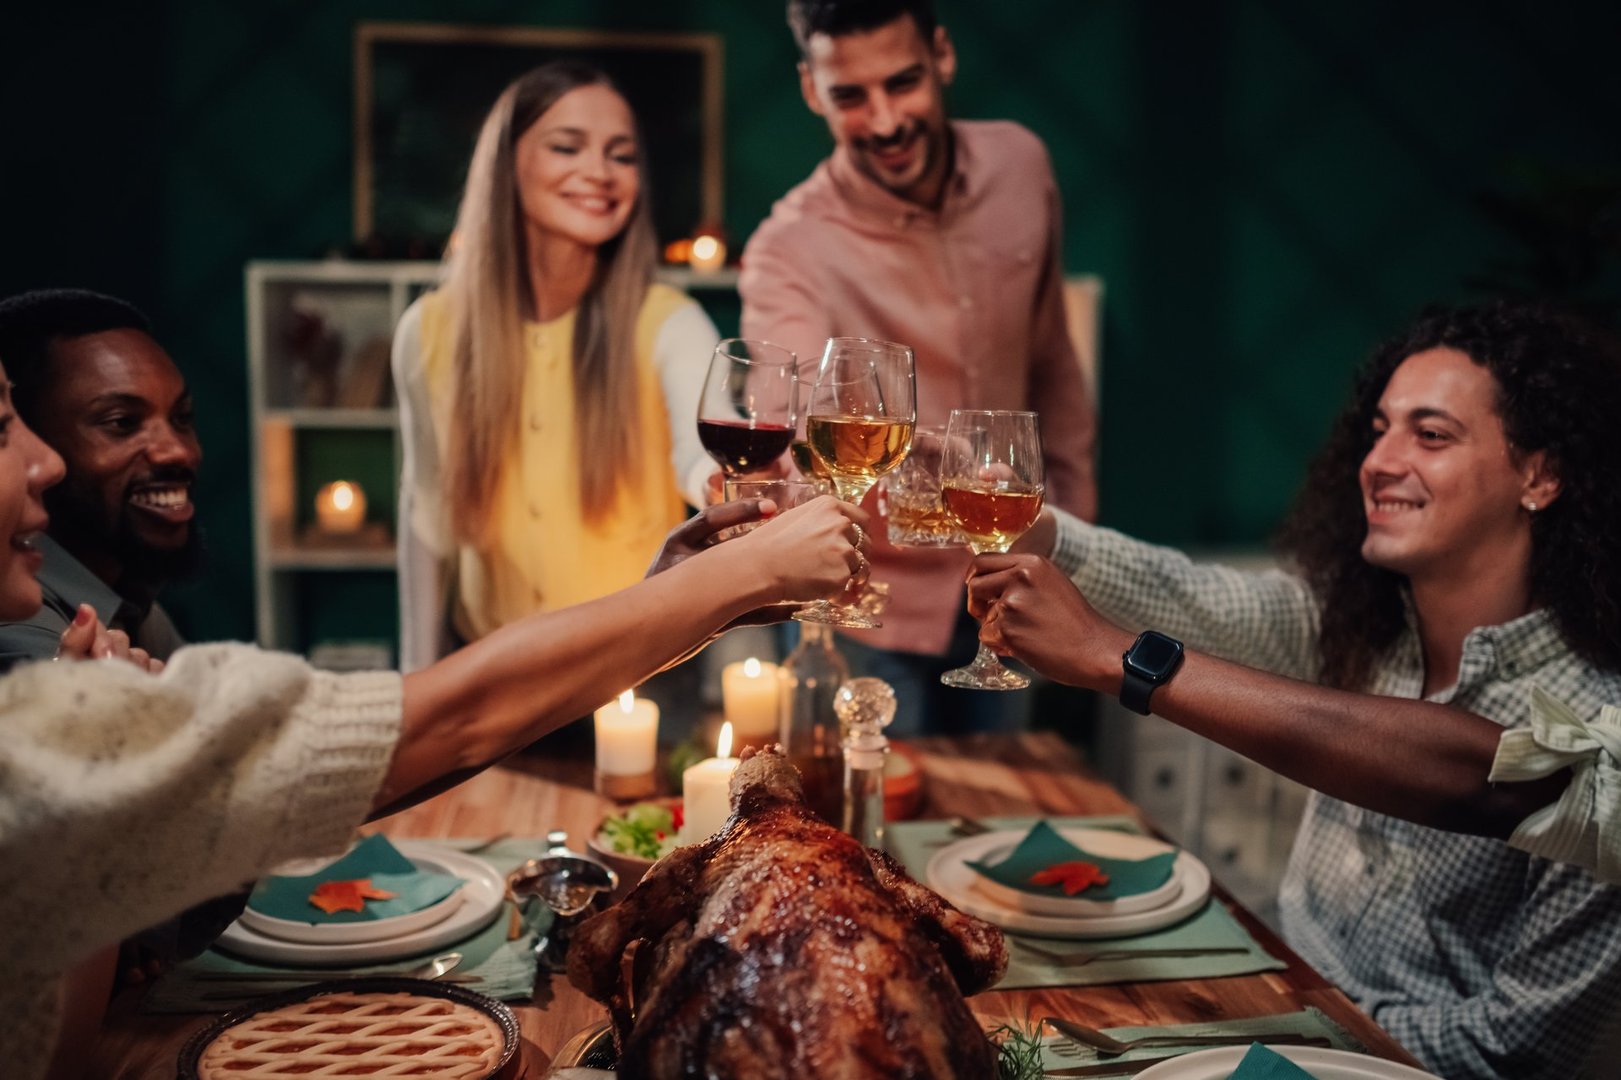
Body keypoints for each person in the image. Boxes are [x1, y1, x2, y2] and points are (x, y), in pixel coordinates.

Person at [0, 349, 871, 1078]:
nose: (43, 462)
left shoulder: (96, 623)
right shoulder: (32, 655)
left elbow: (377, 760)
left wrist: (681, 609)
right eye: (3, 428)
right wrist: (735, 578)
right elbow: (422, 733)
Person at [968, 301, 1621, 1077]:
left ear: (1539, 476)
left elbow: (1512, 1052)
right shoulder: (1356, 627)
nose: (1378, 461)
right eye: (1378, 429)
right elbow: (1190, 597)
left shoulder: (1589, 723)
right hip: (1279, 1002)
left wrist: (1304, 1028)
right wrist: (1029, 524)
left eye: (1430, 434)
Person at [740, 0, 1097, 733]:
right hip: (868, 606)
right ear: (811, 90)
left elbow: (1053, 363)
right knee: (869, 801)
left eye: (902, 83)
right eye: (849, 96)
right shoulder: (789, 246)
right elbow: (790, 410)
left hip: (1006, 576)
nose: (883, 122)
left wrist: (1073, 535)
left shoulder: (1020, 165)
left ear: (942, 55)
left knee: (993, 793)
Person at [393, 60, 720, 673]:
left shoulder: (670, 322)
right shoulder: (428, 330)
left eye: (622, 156)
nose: (599, 172)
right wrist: (417, 679)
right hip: (488, 668)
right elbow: (426, 514)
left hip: (635, 675)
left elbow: (700, 452)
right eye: (567, 147)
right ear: (506, 165)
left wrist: (719, 479)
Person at [0, 289, 197, 671]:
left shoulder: (125, 600)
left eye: (182, 418)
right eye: (122, 422)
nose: (178, 452)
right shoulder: (21, 631)